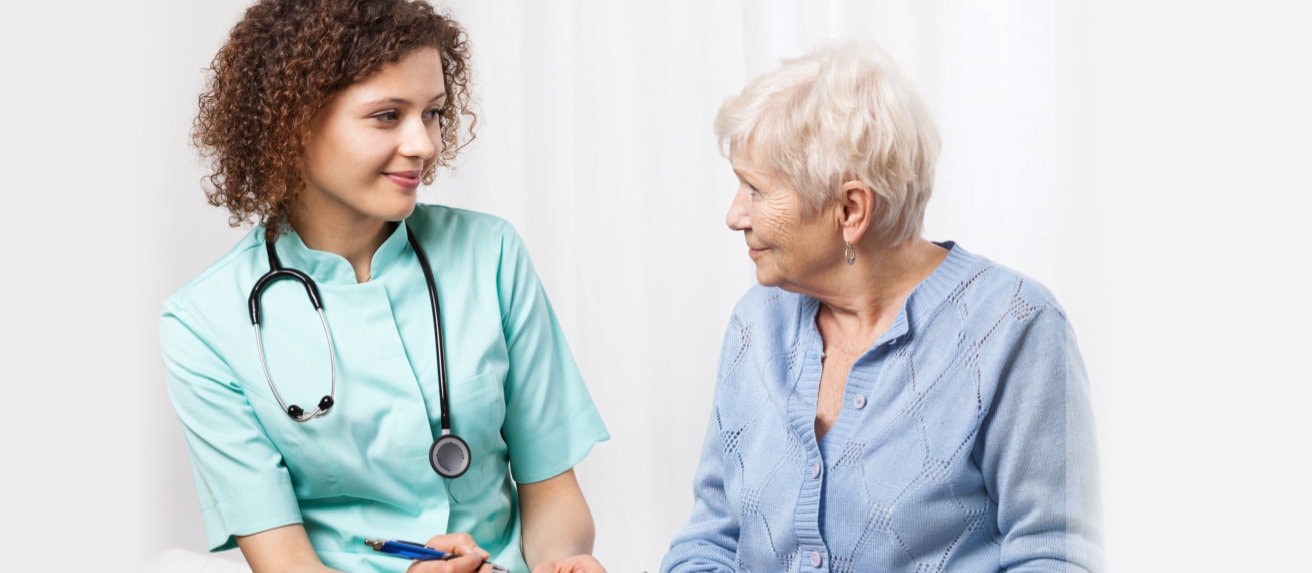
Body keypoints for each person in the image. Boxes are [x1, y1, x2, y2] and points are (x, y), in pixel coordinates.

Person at [161, 1, 609, 572]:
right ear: (293, 122)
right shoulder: (204, 321)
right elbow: (284, 563)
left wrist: (562, 561)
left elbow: (552, 491)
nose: (425, 144)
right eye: (387, 115)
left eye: (433, 113)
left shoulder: (491, 254)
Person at [661, 44, 1103, 572]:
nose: (736, 215)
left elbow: (1055, 556)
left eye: (755, 189)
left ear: (850, 210)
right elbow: (711, 539)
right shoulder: (756, 323)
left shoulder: (1015, 328)